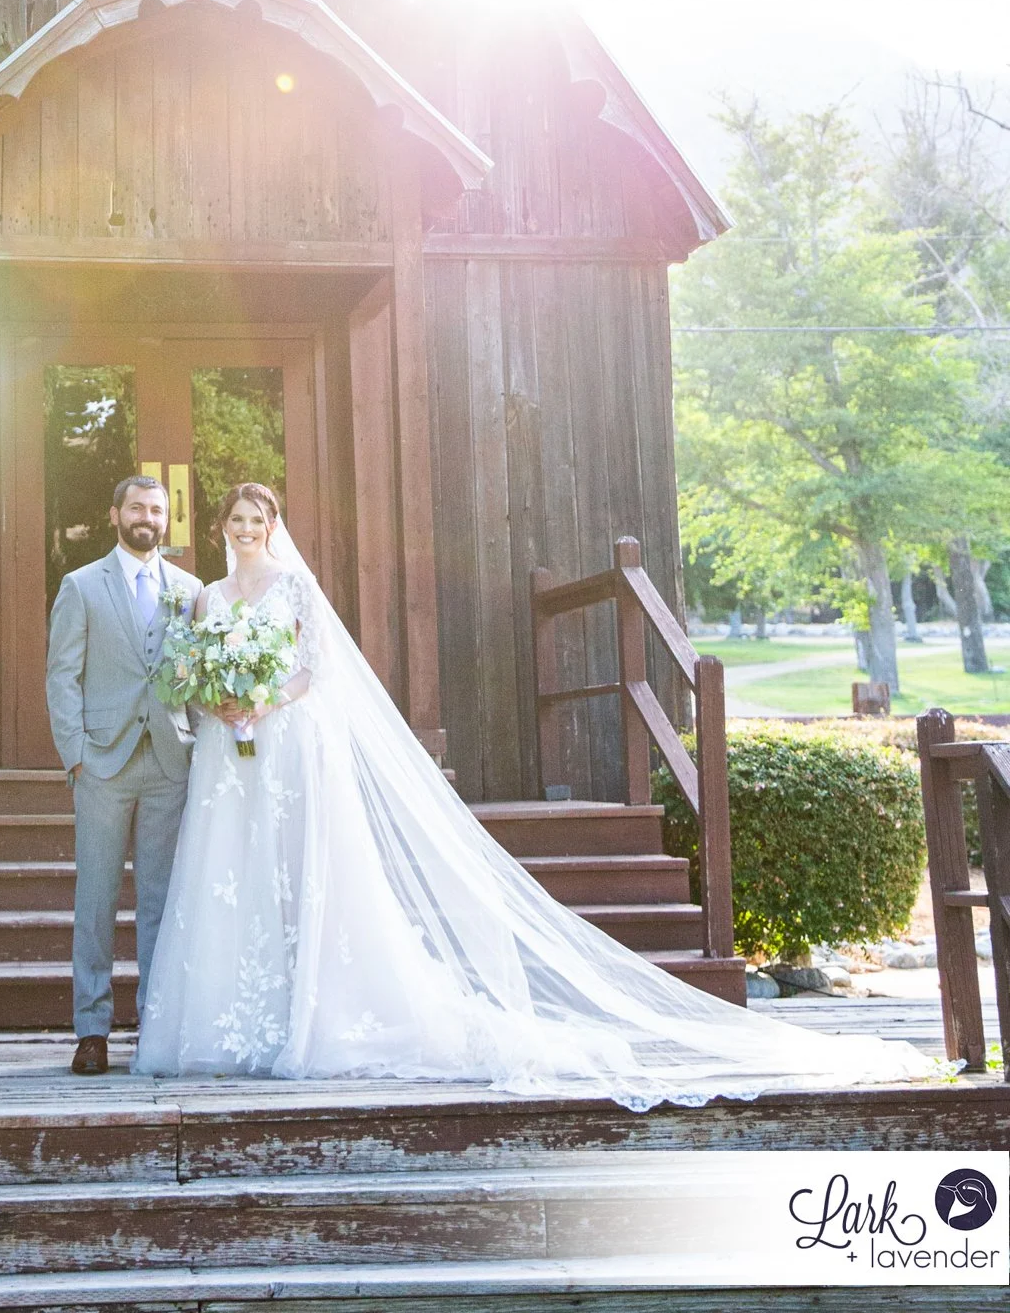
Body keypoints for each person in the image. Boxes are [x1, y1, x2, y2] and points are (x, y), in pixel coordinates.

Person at [134, 482, 927, 1104]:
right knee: (230, 879)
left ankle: (309, 1016)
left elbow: (314, 670)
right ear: (220, 528)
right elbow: (193, 677)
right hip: (226, 756)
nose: (244, 529)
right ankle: (226, 1028)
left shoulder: (294, 590)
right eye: (235, 520)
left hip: (286, 744)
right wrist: (220, 703)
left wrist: (265, 702)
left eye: (255, 519)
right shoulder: (206, 597)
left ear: (272, 526)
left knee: (297, 873)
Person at [45, 473, 198, 1076]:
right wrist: (75, 753)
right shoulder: (81, 586)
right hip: (102, 763)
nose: (147, 518)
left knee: (161, 901)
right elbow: (62, 675)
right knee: (97, 898)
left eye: (157, 511)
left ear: (166, 520)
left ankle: (155, 1028)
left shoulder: (189, 590)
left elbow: (195, 677)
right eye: (137, 508)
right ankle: (92, 1029)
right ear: (115, 515)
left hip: (168, 761)